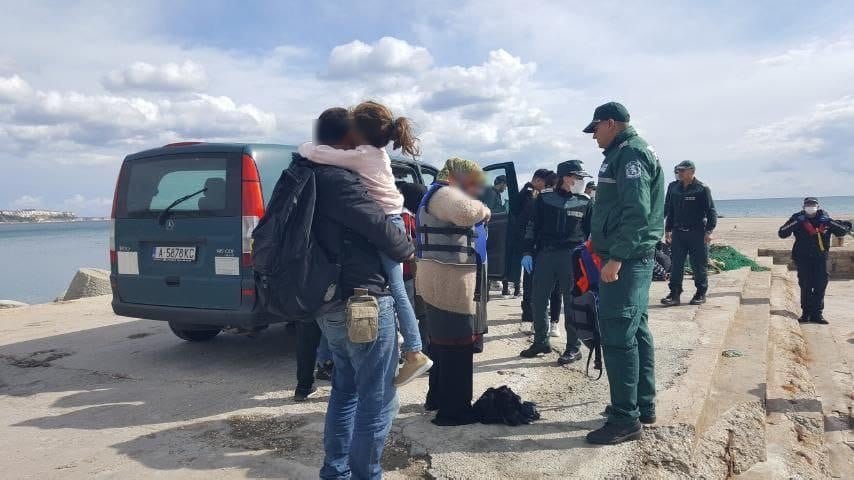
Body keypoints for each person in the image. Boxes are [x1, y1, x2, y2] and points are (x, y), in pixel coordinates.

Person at [298, 107, 414, 479]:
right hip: (361, 302)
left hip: (327, 301)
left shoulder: (305, 173)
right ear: (347, 137)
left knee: (345, 390)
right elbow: (392, 241)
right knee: (377, 400)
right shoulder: (341, 181)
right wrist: (408, 245)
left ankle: (335, 472)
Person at [298, 101, 432, 387]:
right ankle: (413, 349)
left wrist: (303, 148)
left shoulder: (364, 156)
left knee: (396, 288)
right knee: (396, 287)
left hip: (387, 223)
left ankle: (414, 350)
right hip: (392, 219)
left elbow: (319, 154)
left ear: (358, 131)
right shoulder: (376, 154)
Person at [583, 102, 665, 445]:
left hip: (627, 260)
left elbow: (636, 211)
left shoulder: (629, 155)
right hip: (632, 256)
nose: (594, 136)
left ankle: (624, 419)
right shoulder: (625, 151)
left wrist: (615, 258)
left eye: (596, 129)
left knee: (618, 334)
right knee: (637, 329)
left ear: (611, 124)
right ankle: (640, 405)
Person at [415, 157, 491, 426]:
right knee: (457, 347)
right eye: (472, 182)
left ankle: (437, 398)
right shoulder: (445, 193)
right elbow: (466, 213)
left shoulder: (438, 194)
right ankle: (454, 411)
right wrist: (485, 211)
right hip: (447, 283)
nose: (475, 188)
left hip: (442, 280)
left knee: (442, 345)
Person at [519, 160, 593, 364]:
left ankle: (573, 348)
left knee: (572, 303)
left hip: (572, 256)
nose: (579, 181)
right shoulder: (545, 199)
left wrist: (588, 259)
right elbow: (533, 226)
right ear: (563, 177)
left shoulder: (585, 201)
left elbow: (590, 233)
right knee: (538, 299)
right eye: (576, 177)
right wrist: (527, 251)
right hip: (546, 254)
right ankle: (541, 341)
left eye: (581, 178)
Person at [778, 197, 850, 324]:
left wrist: (829, 222)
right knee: (805, 285)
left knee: (820, 285)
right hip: (803, 258)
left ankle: (817, 314)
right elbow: (782, 233)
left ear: (818, 206)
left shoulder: (825, 218)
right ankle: (806, 313)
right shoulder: (797, 217)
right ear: (803, 206)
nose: (810, 206)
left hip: (820, 258)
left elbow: (842, 231)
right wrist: (796, 223)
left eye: (813, 204)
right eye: (808, 204)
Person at [661, 160, 717, 306]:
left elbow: (711, 211)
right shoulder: (674, 188)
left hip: (697, 232)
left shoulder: (701, 189)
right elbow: (670, 210)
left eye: (682, 170)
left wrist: (709, 231)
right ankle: (674, 293)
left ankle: (700, 292)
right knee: (676, 264)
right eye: (678, 170)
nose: (679, 173)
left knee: (698, 264)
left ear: (692, 171)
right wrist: (667, 230)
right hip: (678, 232)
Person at [517, 169, 552, 319]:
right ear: (537, 180)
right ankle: (528, 311)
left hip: (527, 240)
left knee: (530, 276)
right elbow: (529, 219)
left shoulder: (531, 193)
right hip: (528, 241)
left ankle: (529, 309)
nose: (546, 186)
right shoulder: (529, 194)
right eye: (545, 183)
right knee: (530, 278)